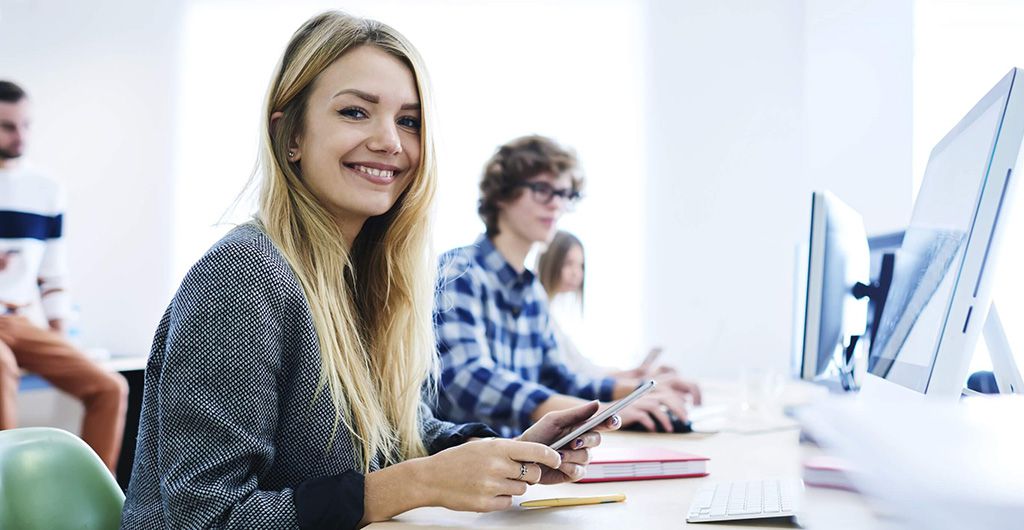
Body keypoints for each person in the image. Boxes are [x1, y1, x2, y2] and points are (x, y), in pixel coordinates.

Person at [121, 12, 618, 529]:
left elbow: (399, 437)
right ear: (289, 135)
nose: (391, 142)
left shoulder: (362, 276)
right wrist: (420, 482)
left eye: (408, 121)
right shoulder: (246, 275)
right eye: (356, 112)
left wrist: (505, 454)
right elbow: (203, 517)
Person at [435, 135, 694, 436]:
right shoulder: (459, 271)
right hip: (469, 462)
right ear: (501, 195)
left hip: (527, 458)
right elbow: (466, 378)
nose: (556, 204)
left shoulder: (531, 291)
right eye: (543, 190)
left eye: (564, 194)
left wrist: (637, 391)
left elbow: (559, 379)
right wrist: (599, 412)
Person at [0, 80, 128, 473]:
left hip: (20, 321)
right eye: (7, 126)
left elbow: (52, 272)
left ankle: (88, 497)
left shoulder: (46, 189)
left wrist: (58, 335)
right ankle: (9, 500)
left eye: (26, 125)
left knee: (110, 387)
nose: (20, 136)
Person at [536, 229, 701, 398]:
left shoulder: (551, 317)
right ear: (551, 262)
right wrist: (637, 383)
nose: (576, 272)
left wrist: (633, 375)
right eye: (568, 263)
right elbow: (575, 377)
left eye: (580, 265)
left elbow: (584, 370)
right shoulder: (540, 316)